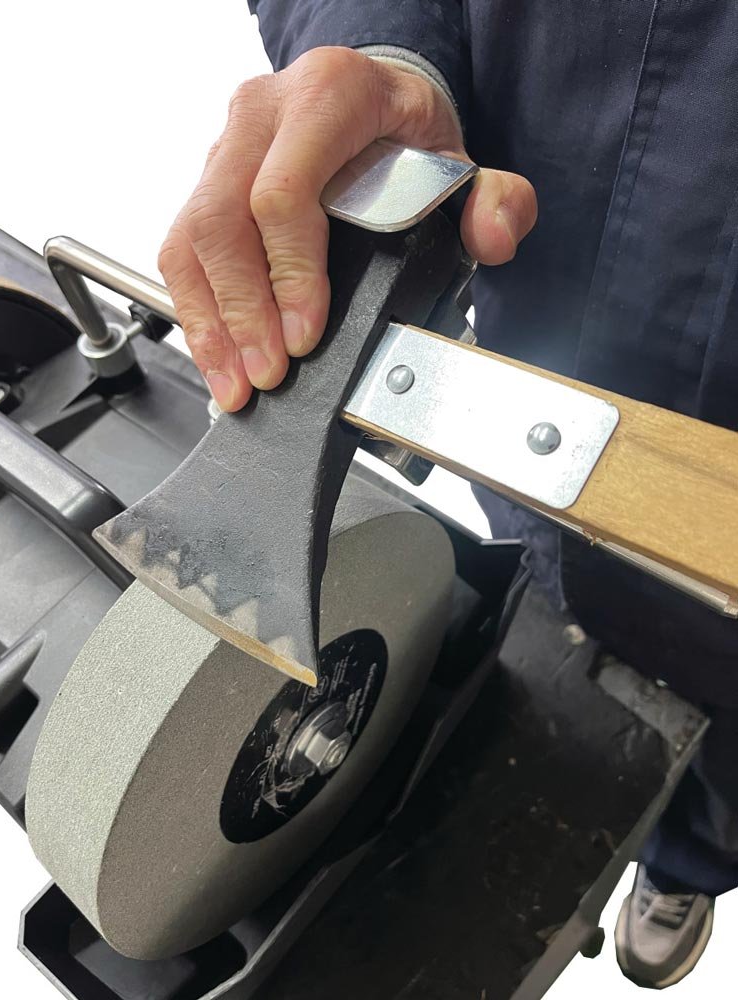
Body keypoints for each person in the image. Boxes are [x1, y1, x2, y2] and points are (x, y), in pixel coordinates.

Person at [157, 3, 738, 989]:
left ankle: (687, 867)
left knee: (726, 765)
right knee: (558, 645)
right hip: (531, 383)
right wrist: (382, 57)